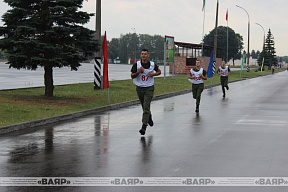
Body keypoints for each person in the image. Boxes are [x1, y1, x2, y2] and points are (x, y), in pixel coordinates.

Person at [131, 49, 161, 135]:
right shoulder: (137, 65)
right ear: (140, 55)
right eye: (142, 54)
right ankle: (149, 118)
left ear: (148, 55)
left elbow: (159, 71)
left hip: (149, 87)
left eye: (145, 54)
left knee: (146, 105)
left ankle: (144, 126)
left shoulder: (152, 64)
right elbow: (132, 76)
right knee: (144, 107)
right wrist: (139, 72)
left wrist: (153, 74)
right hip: (140, 88)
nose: (143, 55)